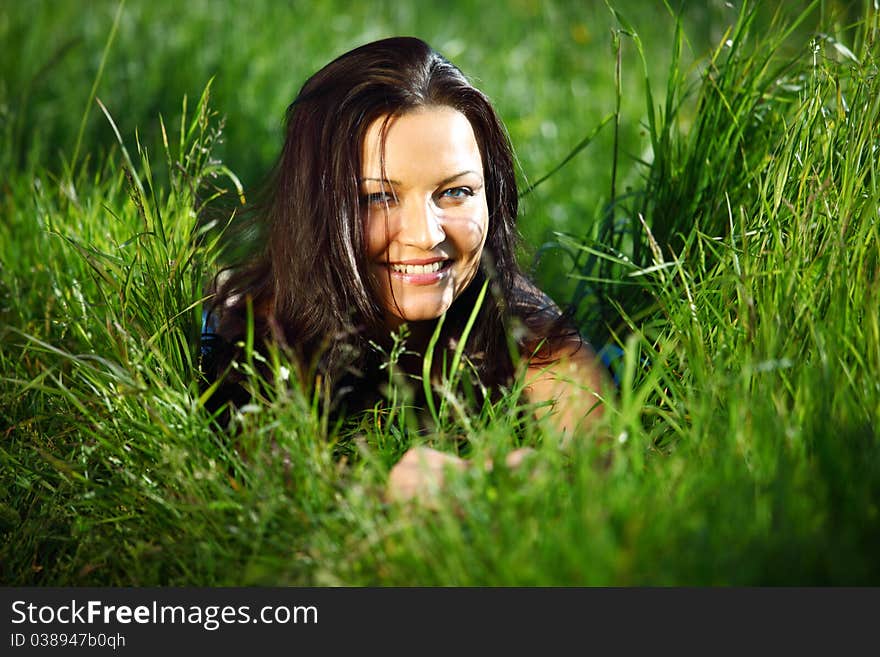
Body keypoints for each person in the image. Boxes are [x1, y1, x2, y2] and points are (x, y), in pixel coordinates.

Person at [201, 36, 610, 502]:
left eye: (455, 192)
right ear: (315, 210)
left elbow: (607, 460)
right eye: (378, 198)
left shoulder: (519, 324)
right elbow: (256, 481)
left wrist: (545, 481)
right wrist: (383, 494)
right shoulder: (259, 334)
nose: (426, 235)